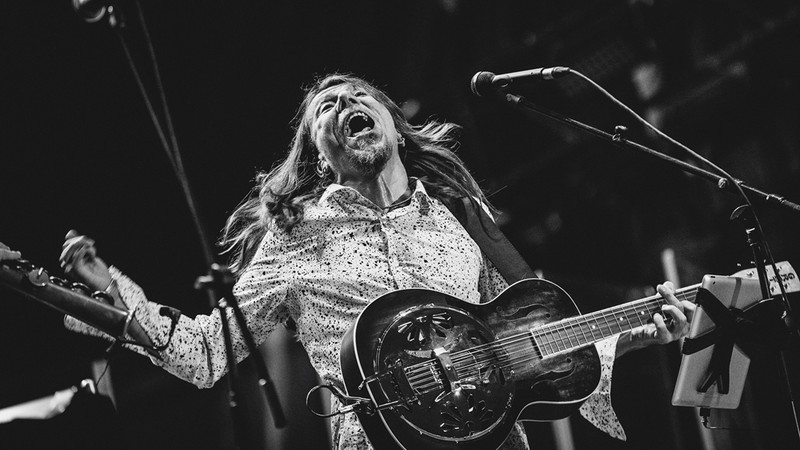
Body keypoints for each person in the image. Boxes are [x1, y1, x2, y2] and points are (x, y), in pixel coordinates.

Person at [51, 73, 693, 449]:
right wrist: (110, 294)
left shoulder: (456, 216)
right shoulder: (293, 237)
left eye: (358, 95)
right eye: (326, 108)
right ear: (318, 152)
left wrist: (632, 333)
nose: (345, 104)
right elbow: (204, 354)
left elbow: (526, 341)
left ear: (389, 118)